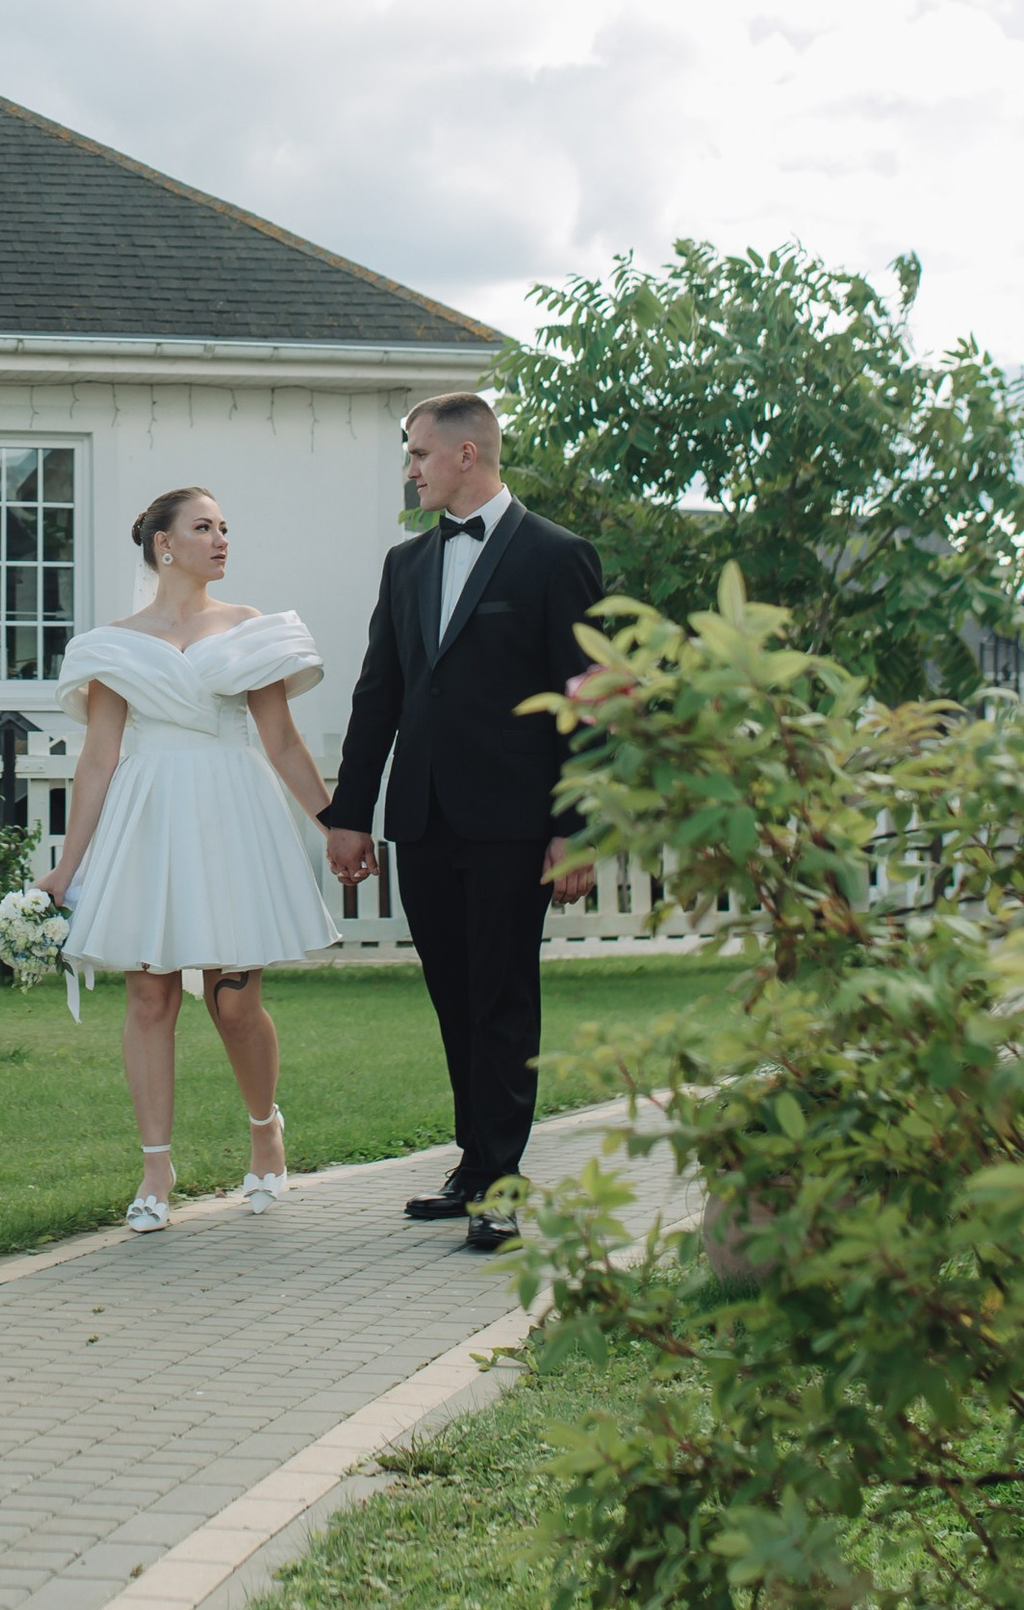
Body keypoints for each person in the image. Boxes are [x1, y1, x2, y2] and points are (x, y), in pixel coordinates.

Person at [322, 394, 603, 1252]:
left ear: (467, 454)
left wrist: (580, 825)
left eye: (417, 454)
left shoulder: (558, 558)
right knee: (454, 998)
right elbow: (381, 697)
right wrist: (350, 815)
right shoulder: (404, 566)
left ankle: (503, 1186)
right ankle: (474, 1165)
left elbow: (589, 701)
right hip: (426, 821)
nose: (409, 469)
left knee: (503, 999)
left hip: (518, 823)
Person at [38, 487, 339, 1232]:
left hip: (231, 815)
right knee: (150, 998)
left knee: (234, 1001)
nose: (222, 538)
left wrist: (338, 826)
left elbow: (282, 743)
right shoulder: (112, 645)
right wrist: (66, 868)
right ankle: (155, 1166)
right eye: (204, 527)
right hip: (150, 818)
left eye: (226, 527)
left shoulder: (249, 630)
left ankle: (265, 1131)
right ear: (163, 545)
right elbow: (99, 761)